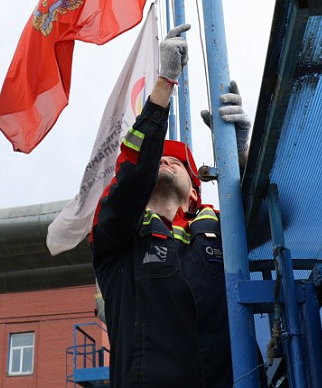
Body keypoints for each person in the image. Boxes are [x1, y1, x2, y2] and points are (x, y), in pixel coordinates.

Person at [90, 23, 254, 388]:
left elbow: (274, 217)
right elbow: (131, 174)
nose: (164, 162)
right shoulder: (119, 241)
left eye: (177, 162)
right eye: (157, 160)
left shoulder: (224, 231)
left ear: (196, 192)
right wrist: (165, 82)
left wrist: (242, 154)